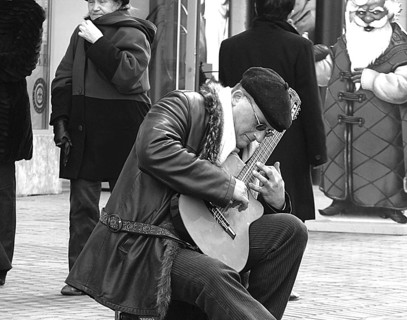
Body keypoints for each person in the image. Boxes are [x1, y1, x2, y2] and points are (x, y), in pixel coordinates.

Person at [64, 67, 308, 320]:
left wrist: (276, 201)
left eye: (266, 132)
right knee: (214, 274)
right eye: (259, 124)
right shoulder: (183, 105)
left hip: (199, 238)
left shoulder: (242, 148)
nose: (258, 135)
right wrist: (225, 185)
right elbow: (153, 149)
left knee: (291, 230)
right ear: (236, 98)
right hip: (149, 241)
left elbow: (241, 216)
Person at [50, 0, 156, 295]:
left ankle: (130, 275)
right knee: (81, 204)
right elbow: (64, 77)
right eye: (91, 0)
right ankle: (81, 276)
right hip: (85, 123)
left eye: (103, 0)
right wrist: (60, 120)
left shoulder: (134, 32)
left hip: (124, 125)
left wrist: (98, 42)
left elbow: (129, 77)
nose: (95, 7)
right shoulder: (82, 31)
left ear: (120, 3)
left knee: (129, 207)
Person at [314, 0, 407, 223]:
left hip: (384, 129)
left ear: (388, 14)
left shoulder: (401, 48)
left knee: (385, 169)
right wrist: (312, 60)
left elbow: (405, 87)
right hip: (342, 128)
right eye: (362, 13)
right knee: (341, 164)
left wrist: (374, 80)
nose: (367, 19)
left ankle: (391, 205)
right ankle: (341, 199)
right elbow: (328, 72)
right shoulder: (347, 43)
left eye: (375, 13)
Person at [219, 0, 327, 223]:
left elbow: (225, 103)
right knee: (287, 223)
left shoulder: (230, 46)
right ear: (290, 9)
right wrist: (317, 152)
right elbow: (308, 102)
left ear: (256, 7)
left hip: (240, 146)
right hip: (289, 146)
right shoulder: (299, 46)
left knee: (238, 219)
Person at [0, 0, 45, 287]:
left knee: (2, 192)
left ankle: (1, 263)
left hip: (4, 112)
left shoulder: (28, 11)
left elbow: (23, 63)